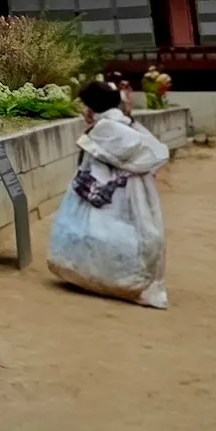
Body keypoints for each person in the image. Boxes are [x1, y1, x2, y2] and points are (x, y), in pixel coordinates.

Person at [47, 79, 170, 307]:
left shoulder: (107, 128)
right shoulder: (126, 124)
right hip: (133, 190)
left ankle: (103, 277)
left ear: (93, 107)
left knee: (100, 228)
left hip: (112, 191)